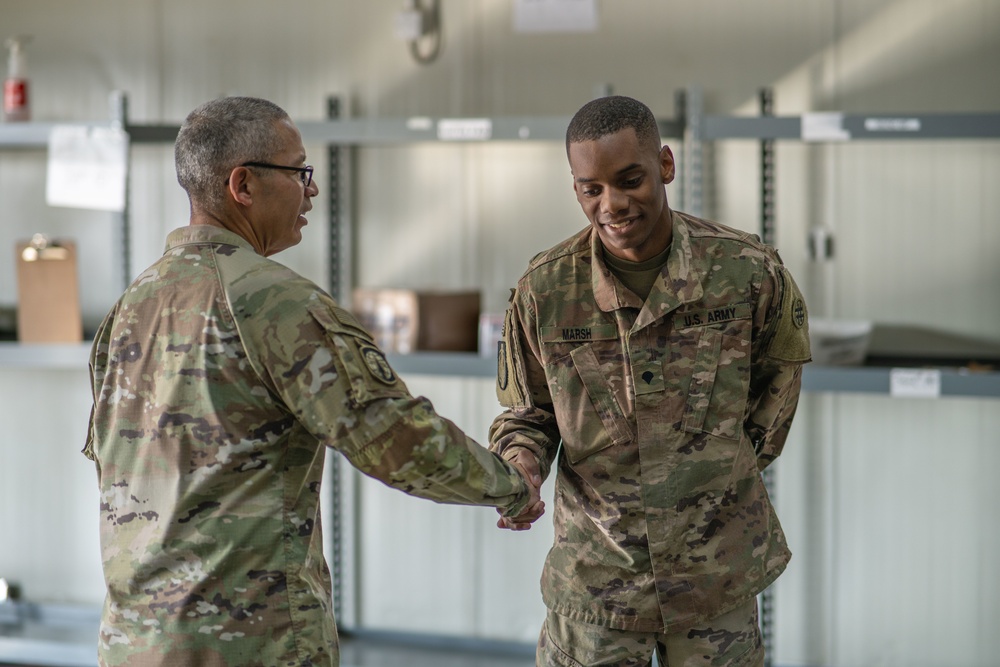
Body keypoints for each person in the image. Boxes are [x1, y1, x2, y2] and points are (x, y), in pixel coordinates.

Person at [83, 96, 543, 667]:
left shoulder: (131, 305)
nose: (312, 190)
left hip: (136, 642)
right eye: (299, 171)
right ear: (242, 185)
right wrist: (510, 484)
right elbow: (394, 436)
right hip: (248, 643)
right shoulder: (272, 300)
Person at [489, 95, 811, 666]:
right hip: (598, 589)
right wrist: (522, 467)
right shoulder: (545, 291)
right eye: (592, 188)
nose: (612, 203)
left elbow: (776, 392)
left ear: (665, 165)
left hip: (715, 581)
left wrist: (714, 477)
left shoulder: (746, 273)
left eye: (629, 179)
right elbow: (528, 414)